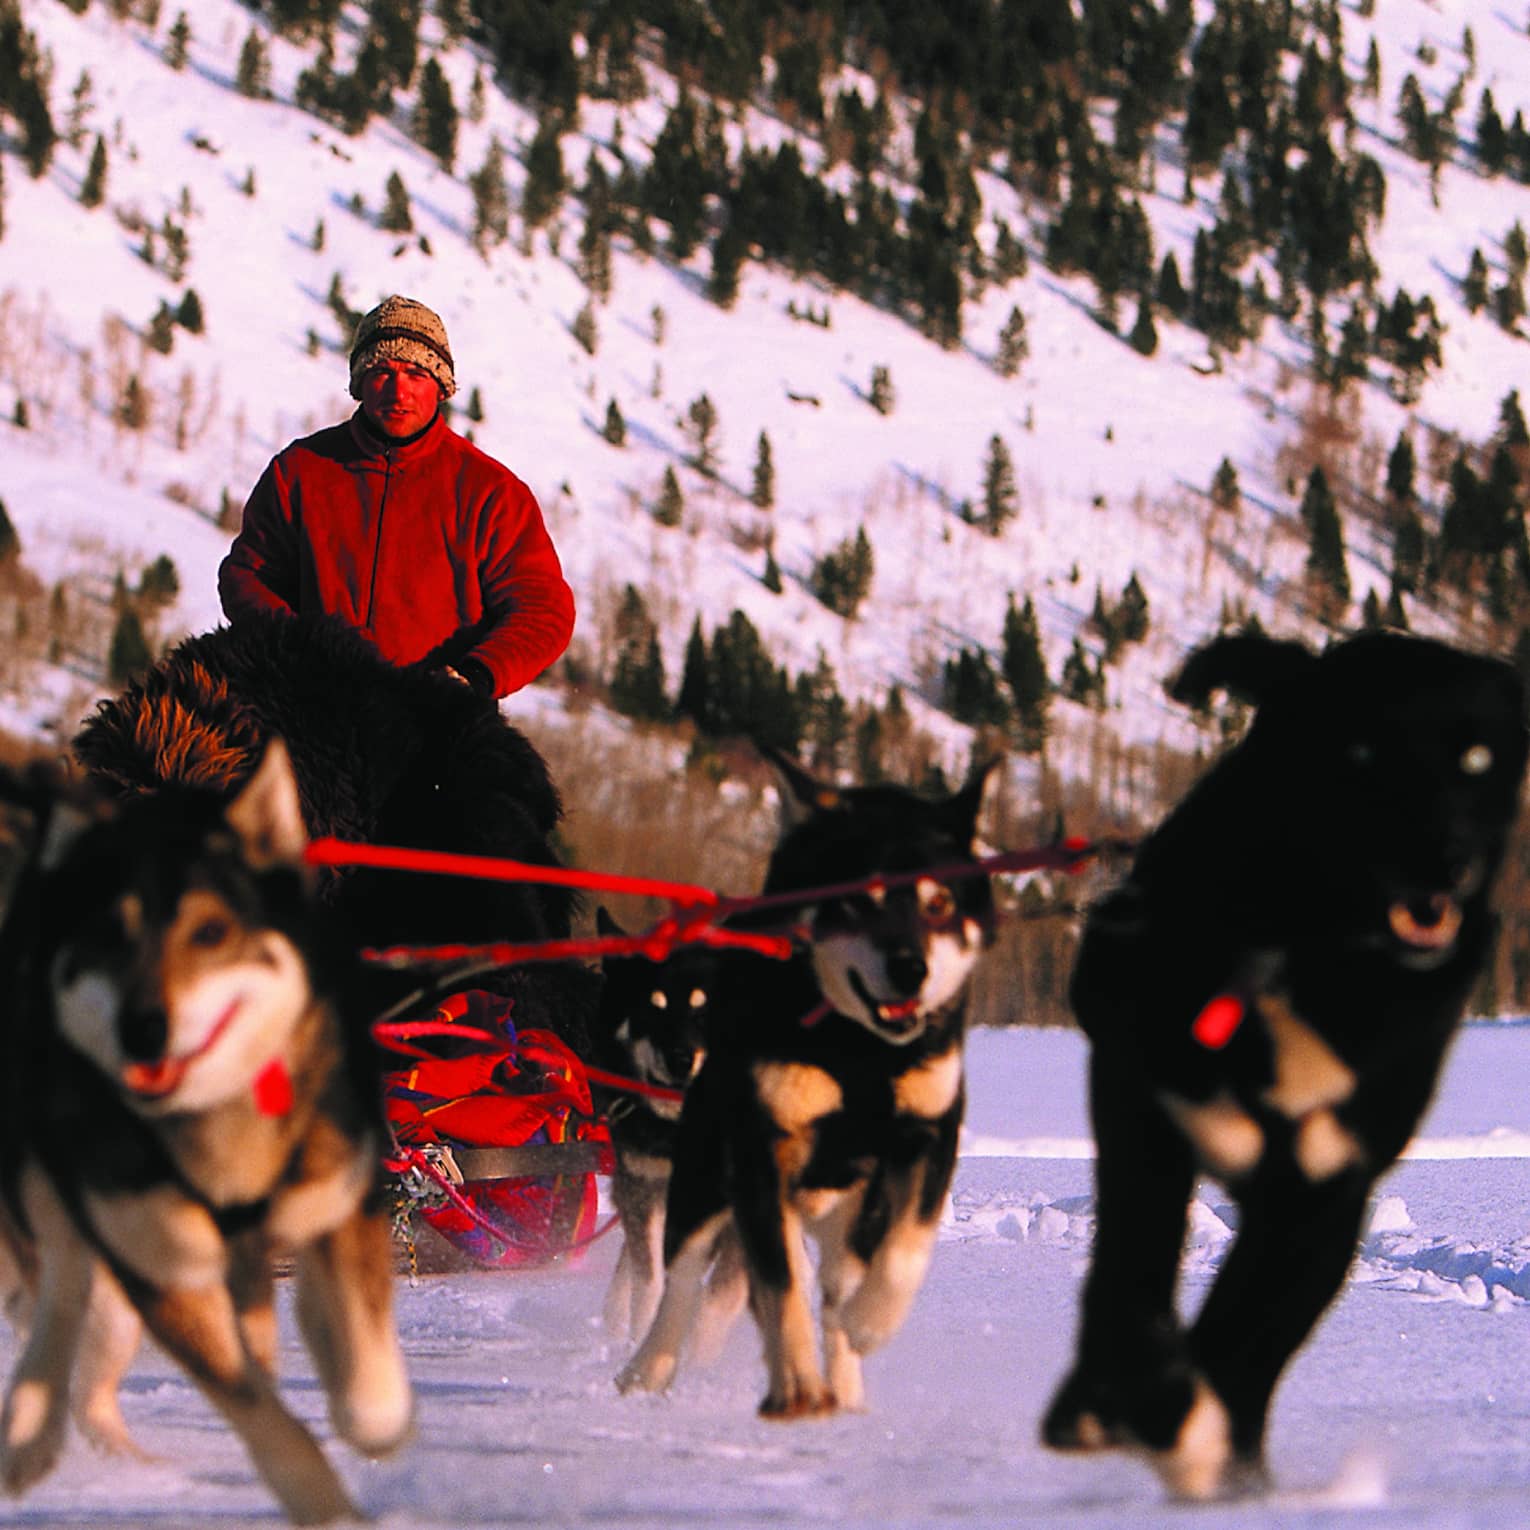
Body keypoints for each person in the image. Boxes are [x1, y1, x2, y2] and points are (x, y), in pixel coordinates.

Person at [219, 295, 574, 700]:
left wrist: (476, 675)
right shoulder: (301, 471)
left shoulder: (491, 493)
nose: (398, 391)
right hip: (309, 710)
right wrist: (299, 648)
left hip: (438, 722)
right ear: (359, 383)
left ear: (441, 387)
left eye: (416, 373)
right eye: (382, 372)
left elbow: (544, 611)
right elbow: (246, 575)